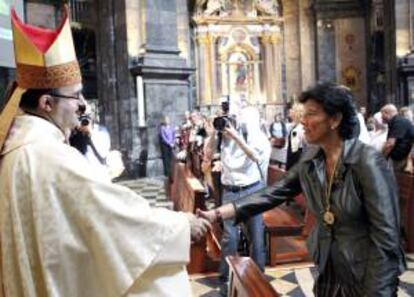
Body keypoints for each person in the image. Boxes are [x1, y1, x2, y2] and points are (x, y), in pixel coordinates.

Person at [0, 7, 211, 297]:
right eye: (76, 95)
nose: (84, 105)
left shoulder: (18, 147)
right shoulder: (49, 155)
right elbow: (111, 215)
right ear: (47, 103)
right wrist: (179, 225)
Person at [199, 83, 406, 297]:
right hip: (330, 266)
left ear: (335, 119)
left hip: (367, 272)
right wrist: (216, 213)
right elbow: (274, 192)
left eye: (311, 114)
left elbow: (387, 239)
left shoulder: (368, 162)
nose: (302, 121)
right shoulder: (313, 157)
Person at [204, 103, 270, 296]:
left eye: (240, 117)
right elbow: (208, 154)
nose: (235, 121)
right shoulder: (224, 137)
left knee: (255, 236)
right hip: (230, 191)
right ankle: (225, 279)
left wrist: (236, 136)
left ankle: (259, 278)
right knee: (229, 237)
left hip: (252, 190)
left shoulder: (256, 137)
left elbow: (255, 156)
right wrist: (212, 134)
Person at [381, 104, 414, 172]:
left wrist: (381, 159)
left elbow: (390, 144)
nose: (381, 117)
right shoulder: (396, 121)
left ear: (388, 113)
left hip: (401, 160)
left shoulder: (398, 121)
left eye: (382, 114)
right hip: (399, 159)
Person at [286, 103, 305, 170]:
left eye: (292, 109)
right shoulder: (302, 126)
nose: (290, 110)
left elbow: (294, 152)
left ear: (296, 113)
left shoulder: (296, 131)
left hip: (295, 164)